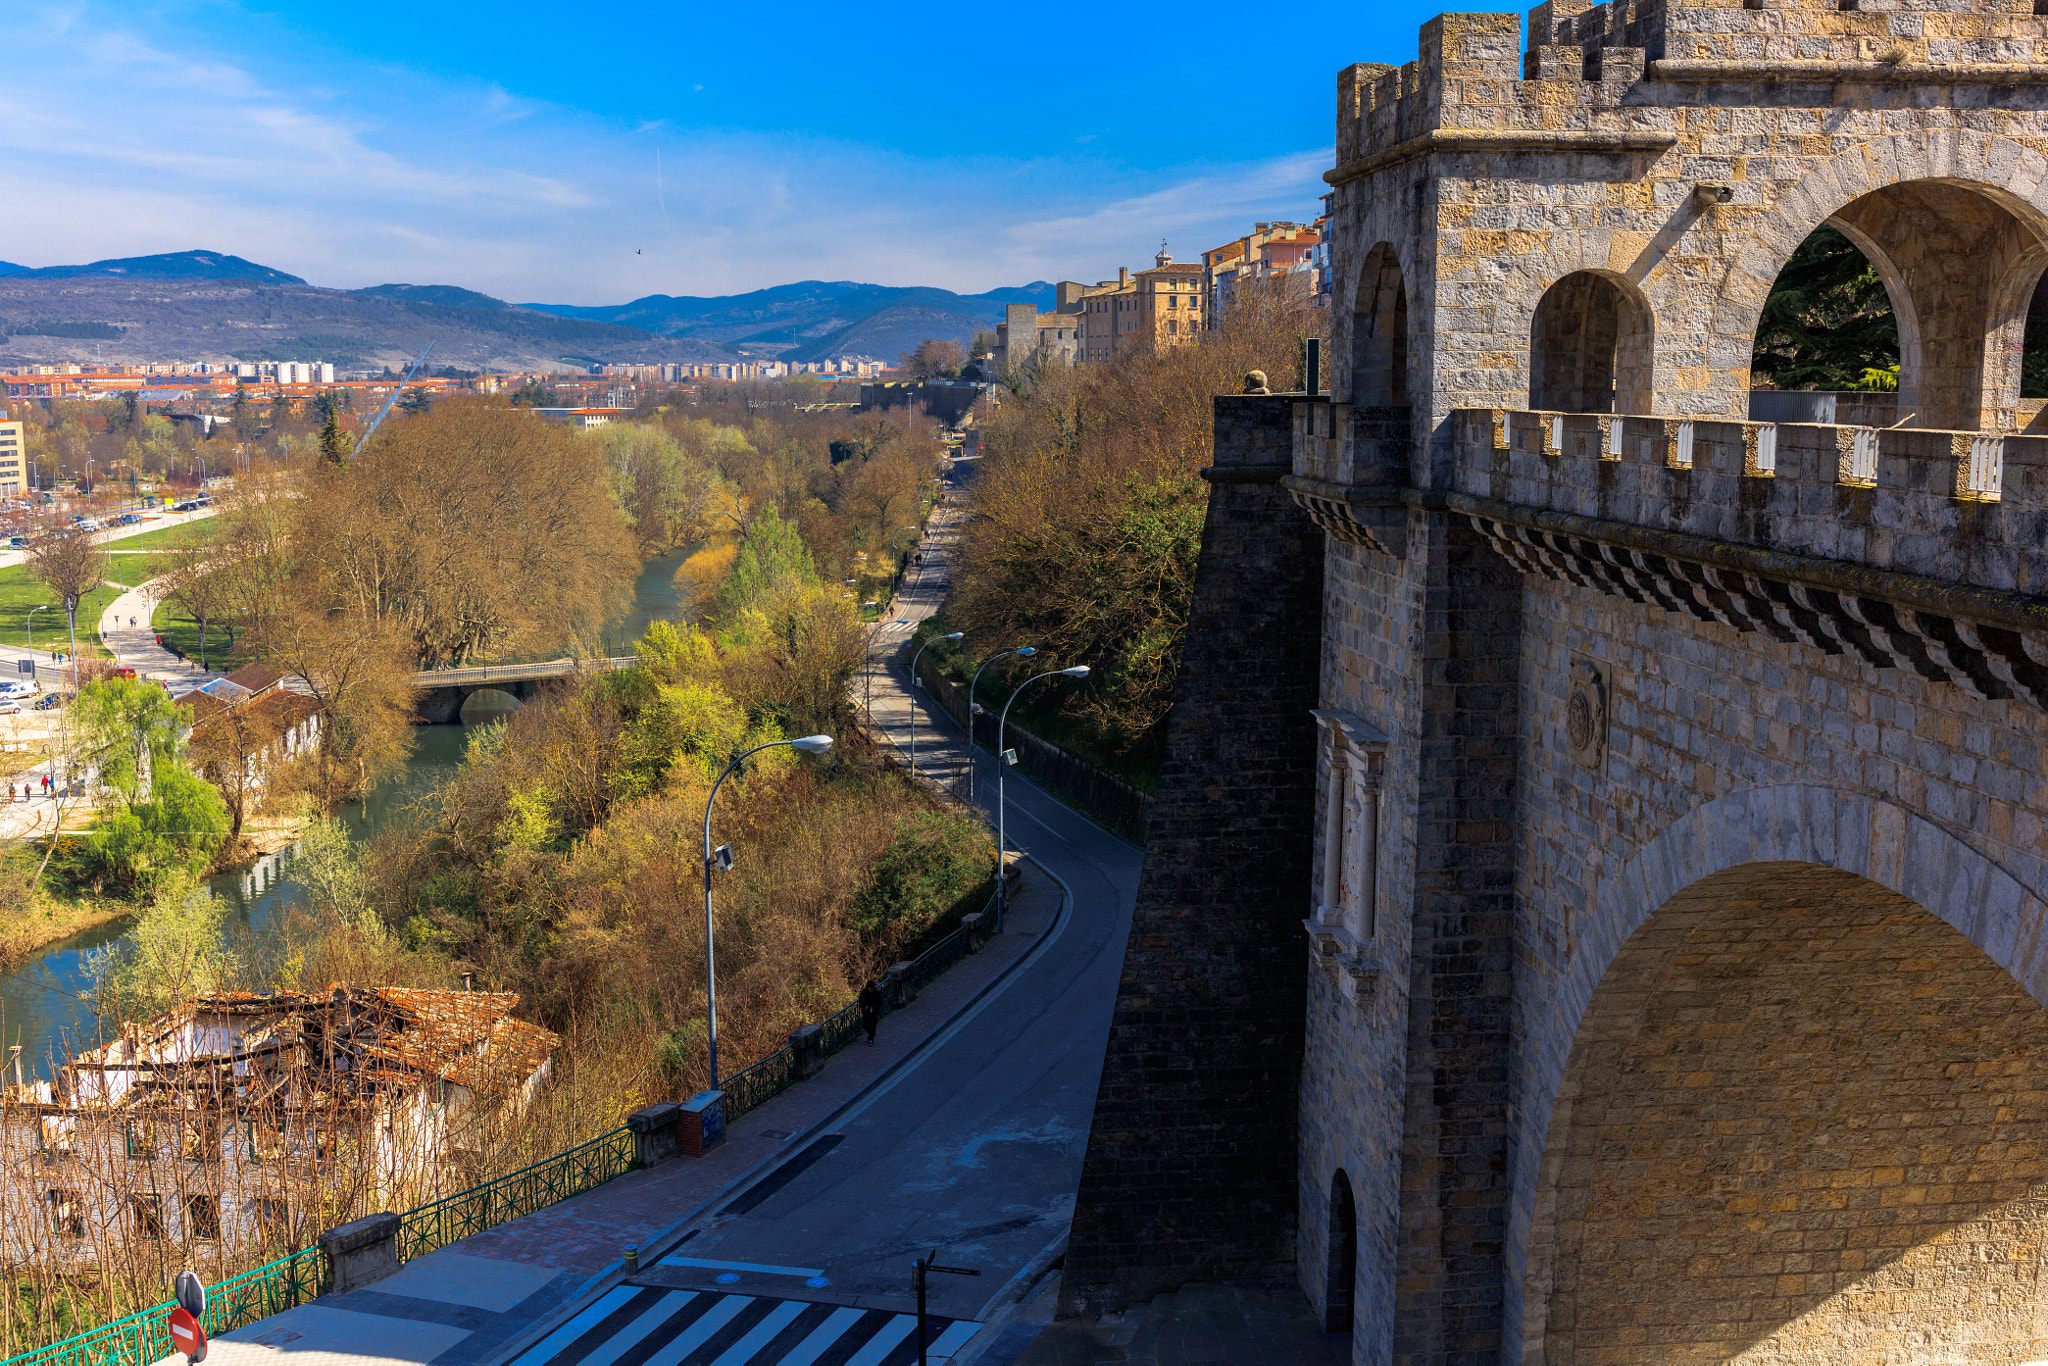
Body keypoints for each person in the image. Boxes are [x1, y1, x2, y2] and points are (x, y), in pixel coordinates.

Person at [858, 980, 883, 1046]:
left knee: (873, 1025)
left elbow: (879, 1001)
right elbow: (861, 1000)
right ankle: (870, 1035)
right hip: (866, 1012)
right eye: (870, 988)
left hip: (874, 1013)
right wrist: (865, 1006)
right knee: (865, 1024)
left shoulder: (876, 993)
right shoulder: (864, 992)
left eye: (872, 988)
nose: (871, 990)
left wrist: (873, 1007)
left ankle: (871, 1039)